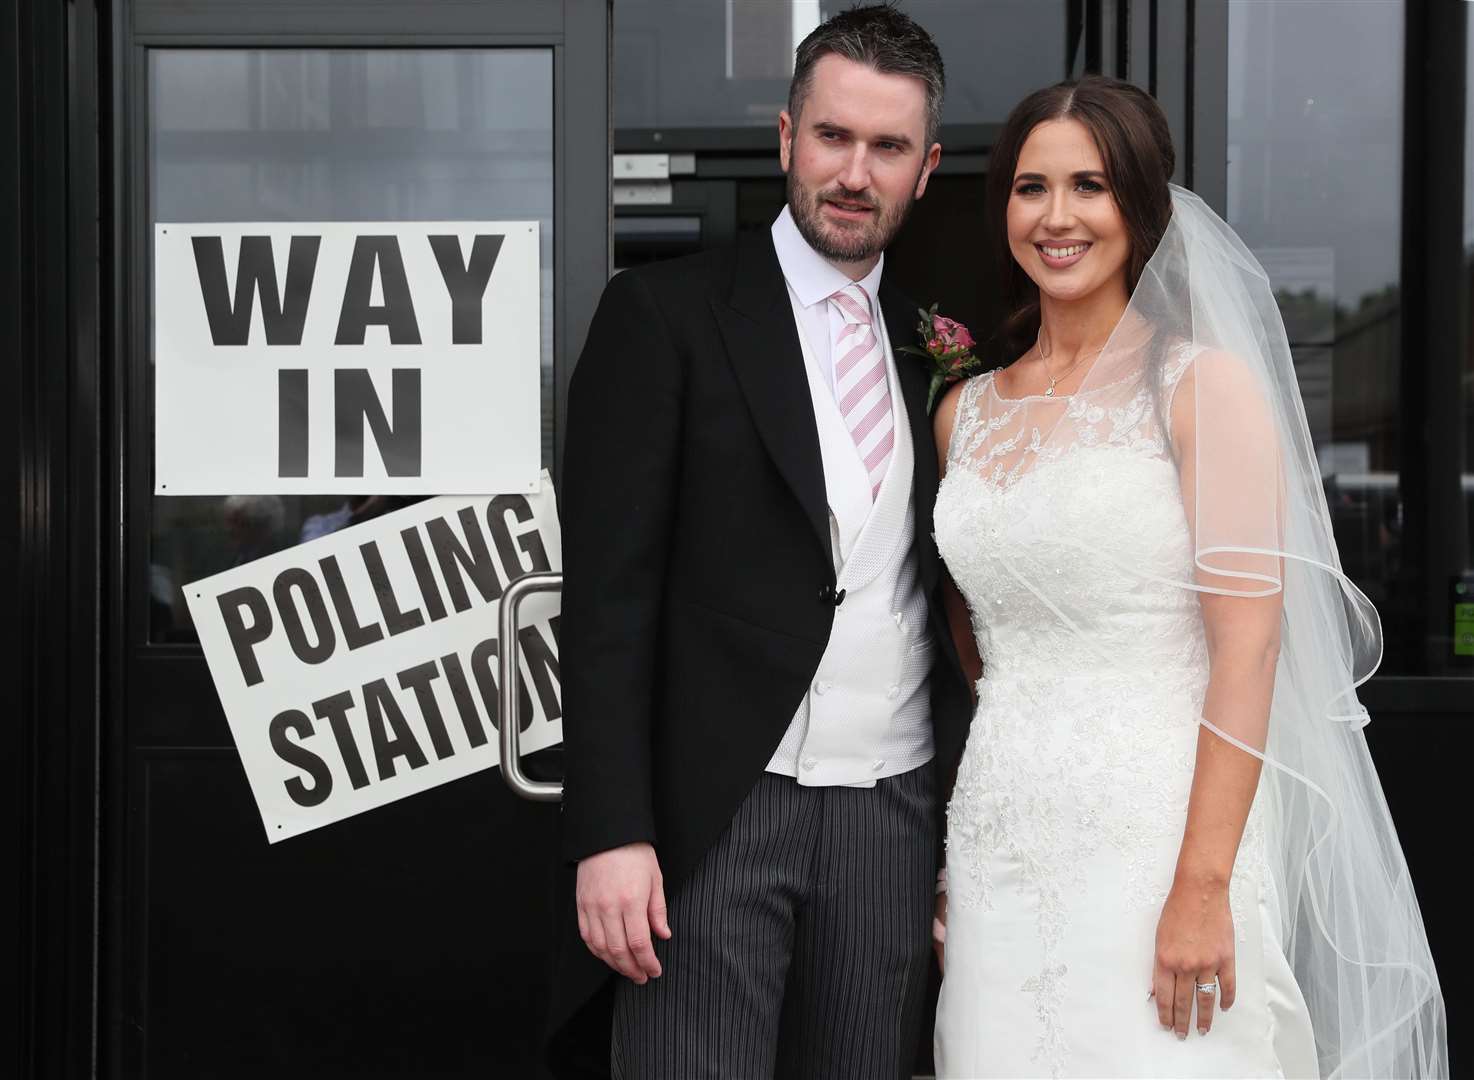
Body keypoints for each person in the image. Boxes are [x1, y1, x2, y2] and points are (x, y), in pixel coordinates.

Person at [930, 75, 1446, 1078]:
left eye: (1090, 185)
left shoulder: (1200, 387)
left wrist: (1202, 886)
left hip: (1161, 842)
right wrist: (965, 850)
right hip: (998, 839)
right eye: (1031, 187)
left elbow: (1248, 647)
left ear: (1140, 203)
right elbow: (977, 637)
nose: (1058, 216)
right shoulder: (964, 413)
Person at [547, 6, 973, 1078]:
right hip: (716, 811)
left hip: (891, 808)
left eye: (886, 148)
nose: (853, 172)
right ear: (786, 137)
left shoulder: (942, 351)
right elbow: (605, 600)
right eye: (833, 136)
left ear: (925, 170)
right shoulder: (662, 315)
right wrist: (611, 829)